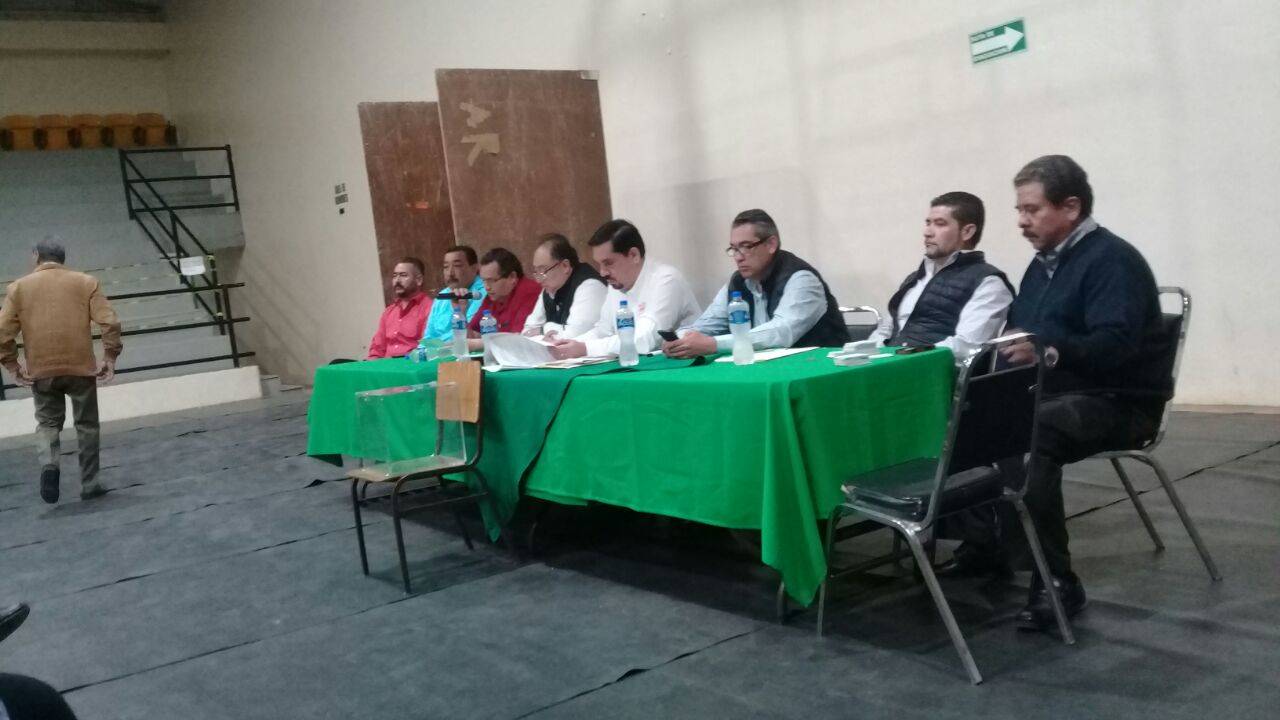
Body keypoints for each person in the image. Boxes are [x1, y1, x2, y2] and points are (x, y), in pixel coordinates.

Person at [946, 155, 1170, 633]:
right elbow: (1023, 329)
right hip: (1063, 392)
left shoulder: (1113, 261)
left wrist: (1048, 350)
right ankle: (988, 543)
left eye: (1032, 210)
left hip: (1118, 399)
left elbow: (1117, 345)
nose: (1021, 221)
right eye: (1019, 210)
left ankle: (1056, 581)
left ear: (1070, 207)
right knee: (965, 413)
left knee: (1030, 434)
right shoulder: (1043, 265)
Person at [0, 239, 121, 504]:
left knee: (47, 423)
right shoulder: (86, 282)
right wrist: (109, 357)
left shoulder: (17, 288)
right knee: (87, 425)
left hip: (41, 369)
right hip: (81, 368)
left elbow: (2, 333)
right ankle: (90, 483)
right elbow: (110, 322)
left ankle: (50, 465)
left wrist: (13, 365)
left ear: (36, 256)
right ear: (62, 258)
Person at [664, 209, 847, 358]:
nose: (738, 257)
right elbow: (707, 324)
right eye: (734, 249)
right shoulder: (737, 283)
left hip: (822, 371)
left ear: (771, 244)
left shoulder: (801, 279)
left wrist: (713, 345)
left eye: (746, 247)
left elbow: (781, 333)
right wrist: (679, 340)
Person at [865, 192, 1014, 359]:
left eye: (940, 224)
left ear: (967, 232)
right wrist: (862, 355)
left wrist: (904, 356)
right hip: (891, 364)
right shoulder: (914, 278)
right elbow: (886, 331)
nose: (927, 232)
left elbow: (967, 347)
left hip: (930, 370)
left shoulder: (988, 282)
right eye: (928, 223)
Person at [549, 219, 701, 359]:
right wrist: (568, 344)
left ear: (634, 255)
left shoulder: (666, 280)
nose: (602, 273)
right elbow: (603, 331)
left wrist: (585, 348)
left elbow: (645, 339)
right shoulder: (617, 285)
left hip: (682, 366)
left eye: (608, 263)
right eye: (599, 264)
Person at [521, 233, 607, 339]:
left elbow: (575, 335)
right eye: (536, 271)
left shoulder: (590, 286)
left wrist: (543, 329)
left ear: (565, 266)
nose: (538, 280)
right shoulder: (550, 287)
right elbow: (527, 332)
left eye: (543, 271)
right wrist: (547, 334)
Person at [465, 247, 541, 348]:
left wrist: (476, 344)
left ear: (512, 277)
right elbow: (472, 335)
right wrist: (461, 311)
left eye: (492, 281)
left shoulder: (529, 291)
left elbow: (518, 341)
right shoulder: (493, 297)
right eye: (484, 281)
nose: (487, 287)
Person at [365, 257, 430, 359]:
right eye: (395, 276)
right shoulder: (389, 311)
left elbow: (427, 348)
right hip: (386, 365)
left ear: (419, 280)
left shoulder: (429, 308)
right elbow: (377, 348)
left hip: (411, 364)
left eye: (403, 275)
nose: (397, 280)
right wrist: (372, 363)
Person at [422, 245, 486, 341]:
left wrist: (438, 345)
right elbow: (428, 337)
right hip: (439, 350)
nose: (450, 273)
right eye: (446, 267)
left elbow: (470, 334)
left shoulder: (484, 293)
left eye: (457, 266)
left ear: (474, 268)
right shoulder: (442, 296)